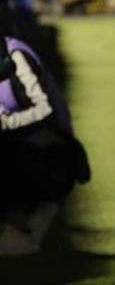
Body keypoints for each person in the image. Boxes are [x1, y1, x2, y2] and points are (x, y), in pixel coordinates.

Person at [0, 16, 91, 257]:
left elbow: (44, 108)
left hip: (53, 149)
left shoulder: (16, 57)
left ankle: (30, 226)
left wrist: (7, 122)